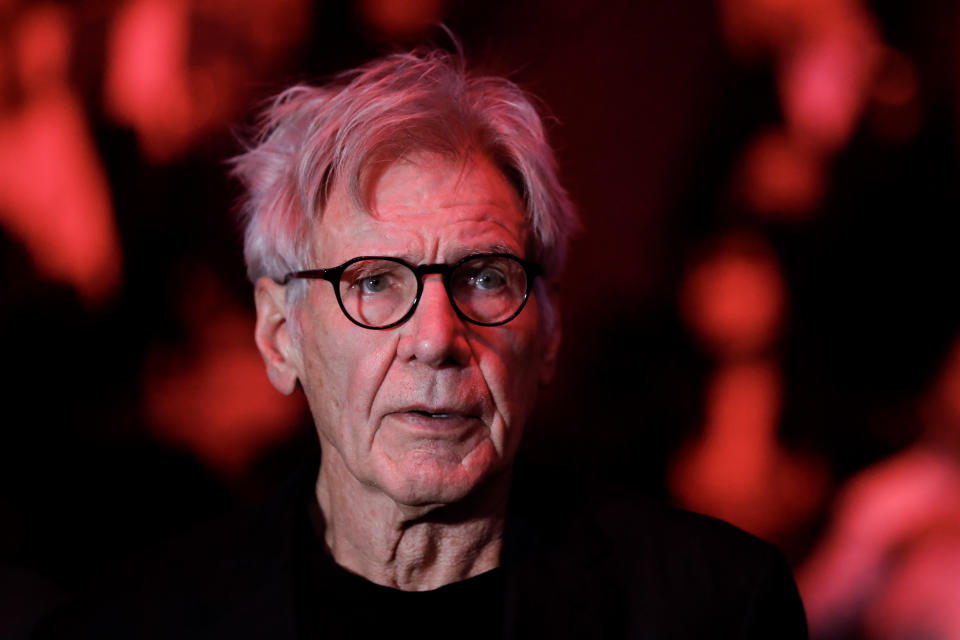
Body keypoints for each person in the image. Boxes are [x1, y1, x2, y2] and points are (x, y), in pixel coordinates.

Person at [34, 48, 807, 639]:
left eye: (485, 278)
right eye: (373, 282)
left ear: (551, 331)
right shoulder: (130, 625)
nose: (436, 338)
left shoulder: (716, 610)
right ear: (279, 335)